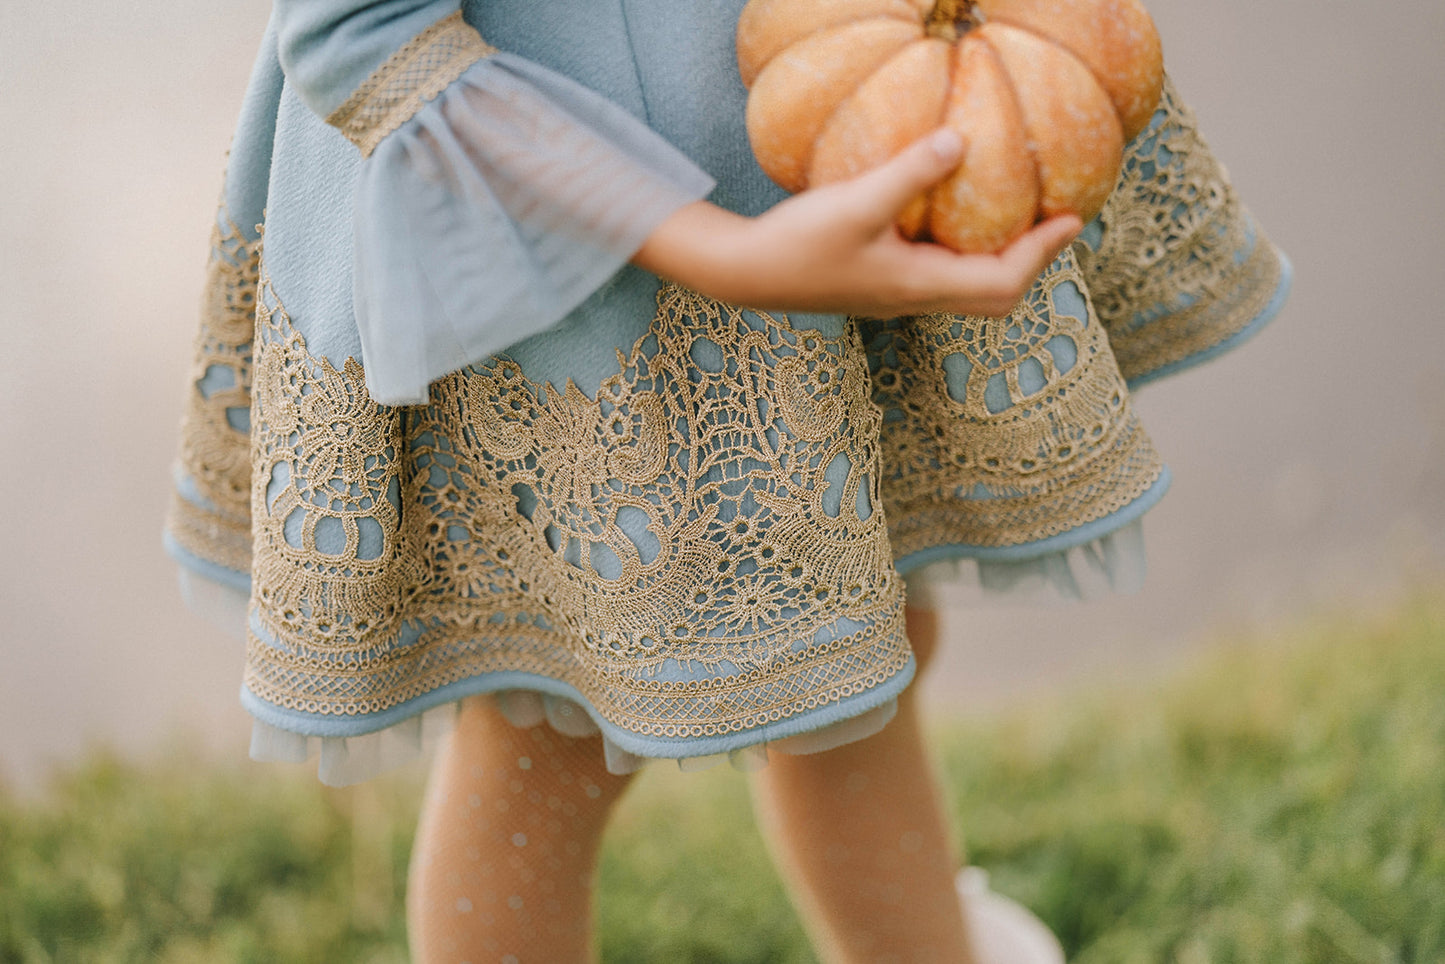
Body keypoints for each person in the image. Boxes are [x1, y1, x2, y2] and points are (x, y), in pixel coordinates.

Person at [164, 2, 1291, 961]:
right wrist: (725, 255)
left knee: (868, 625)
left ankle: (915, 946)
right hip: (566, 258)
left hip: (829, 134)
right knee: (548, 732)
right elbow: (356, 31)